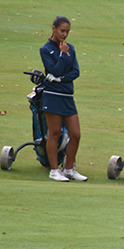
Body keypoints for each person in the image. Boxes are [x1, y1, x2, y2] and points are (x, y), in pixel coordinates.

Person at [39, 15, 87, 182]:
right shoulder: (46, 49)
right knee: (55, 133)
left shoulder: (70, 48)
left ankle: (68, 169)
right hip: (52, 97)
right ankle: (54, 170)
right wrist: (62, 55)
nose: (65, 35)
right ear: (54, 28)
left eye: (67, 31)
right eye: (62, 31)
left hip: (67, 96)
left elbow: (75, 72)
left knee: (76, 134)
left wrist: (60, 79)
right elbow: (55, 69)